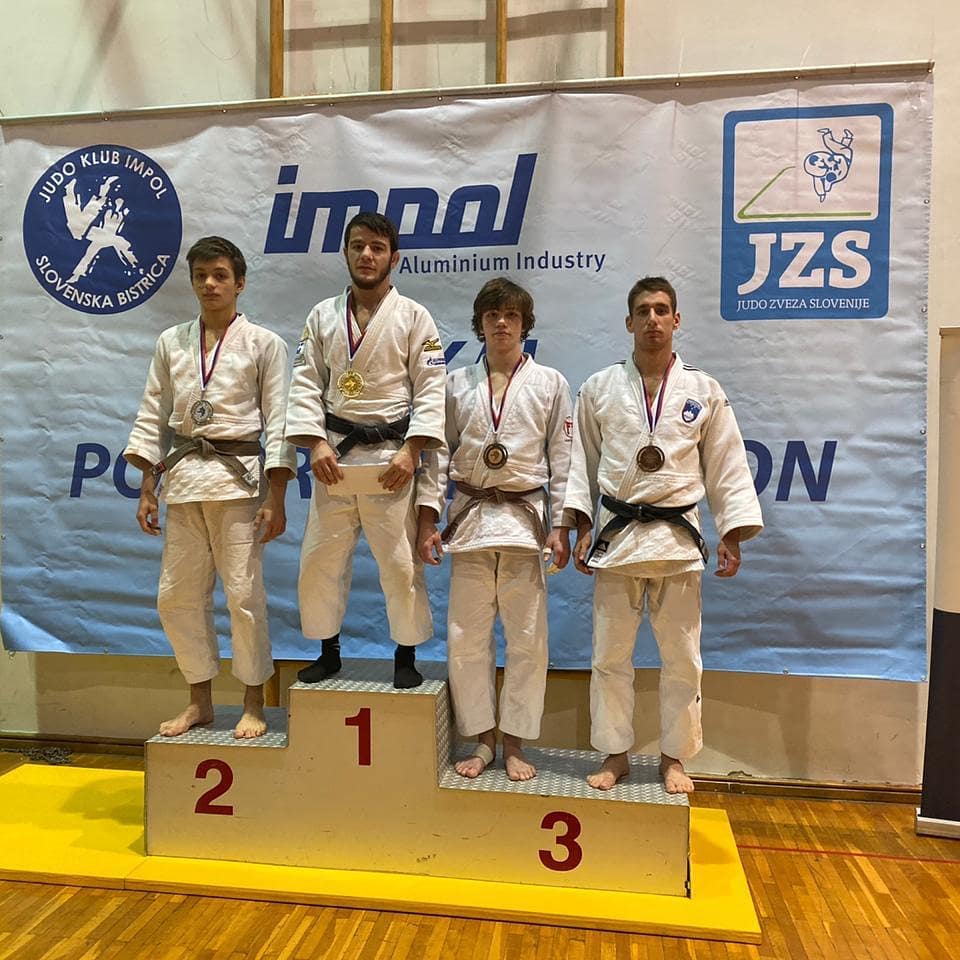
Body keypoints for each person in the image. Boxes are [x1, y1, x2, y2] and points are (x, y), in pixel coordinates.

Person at [563, 277, 762, 793]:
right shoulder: (600, 388)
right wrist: (580, 525)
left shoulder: (703, 390)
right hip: (618, 539)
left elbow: (726, 465)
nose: (652, 319)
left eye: (661, 310)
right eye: (643, 311)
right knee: (609, 658)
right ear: (628, 322)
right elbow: (581, 464)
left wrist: (732, 533)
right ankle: (615, 753)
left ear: (676, 320)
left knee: (682, 659)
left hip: (677, 541)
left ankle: (674, 757)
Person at [125, 236, 295, 739]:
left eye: (220, 275)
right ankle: (199, 700)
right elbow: (153, 414)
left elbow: (280, 423)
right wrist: (147, 487)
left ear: (239, 283)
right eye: (200, 275)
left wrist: (277, 496)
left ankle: (253, 702)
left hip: (239, 483)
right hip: (183, 481)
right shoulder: (171, 342)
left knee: (243, 596)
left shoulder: (265, 344)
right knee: (175, 596)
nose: (209, 284)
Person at [418, 278, 572, 780]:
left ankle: (516, 742)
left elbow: (564, 461)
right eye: (491, 316)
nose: (501, 323)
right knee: (467, 637)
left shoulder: (550, 383)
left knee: (527, 639)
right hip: (470, 520)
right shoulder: (456, 384)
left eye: (511, 315)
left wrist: (561, 525)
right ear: (480, 324)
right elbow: (437, 456)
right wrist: (429, 518)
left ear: (525, 324)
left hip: (526, 525)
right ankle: (482, 739)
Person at [285, 212, 445, 689]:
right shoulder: (321, 315)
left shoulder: (414, 316)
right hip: (334, 459)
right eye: (358, 246)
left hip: (391, 460)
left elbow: (430, 389)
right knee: (320, 561)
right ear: (346, 253)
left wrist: (412, 451)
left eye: (377, 247)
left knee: (399, 564)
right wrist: (314, 443)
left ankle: (406, 655)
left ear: (394, 258)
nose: (367, 255)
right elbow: (305, 384)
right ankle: (327, 651)